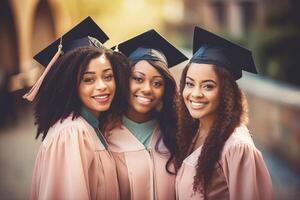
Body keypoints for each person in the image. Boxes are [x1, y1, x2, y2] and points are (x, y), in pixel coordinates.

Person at [28, 17, 130, 200]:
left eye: (107, 76)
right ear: (70, 84)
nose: (102, 86)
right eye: (88, 79)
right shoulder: (72, 134)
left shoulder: (90, 127)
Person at [175, 26, 273, 200]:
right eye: (190, 84)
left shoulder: (236, 147)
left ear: (226, 91)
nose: (195, 93)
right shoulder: (195, 132)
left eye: (208, 86)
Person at [106, 29, 188, 200]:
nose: (147, 89)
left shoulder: (176, 133)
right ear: (124, 80)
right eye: (138, 79)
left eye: (157, 83)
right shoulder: (105, 134)